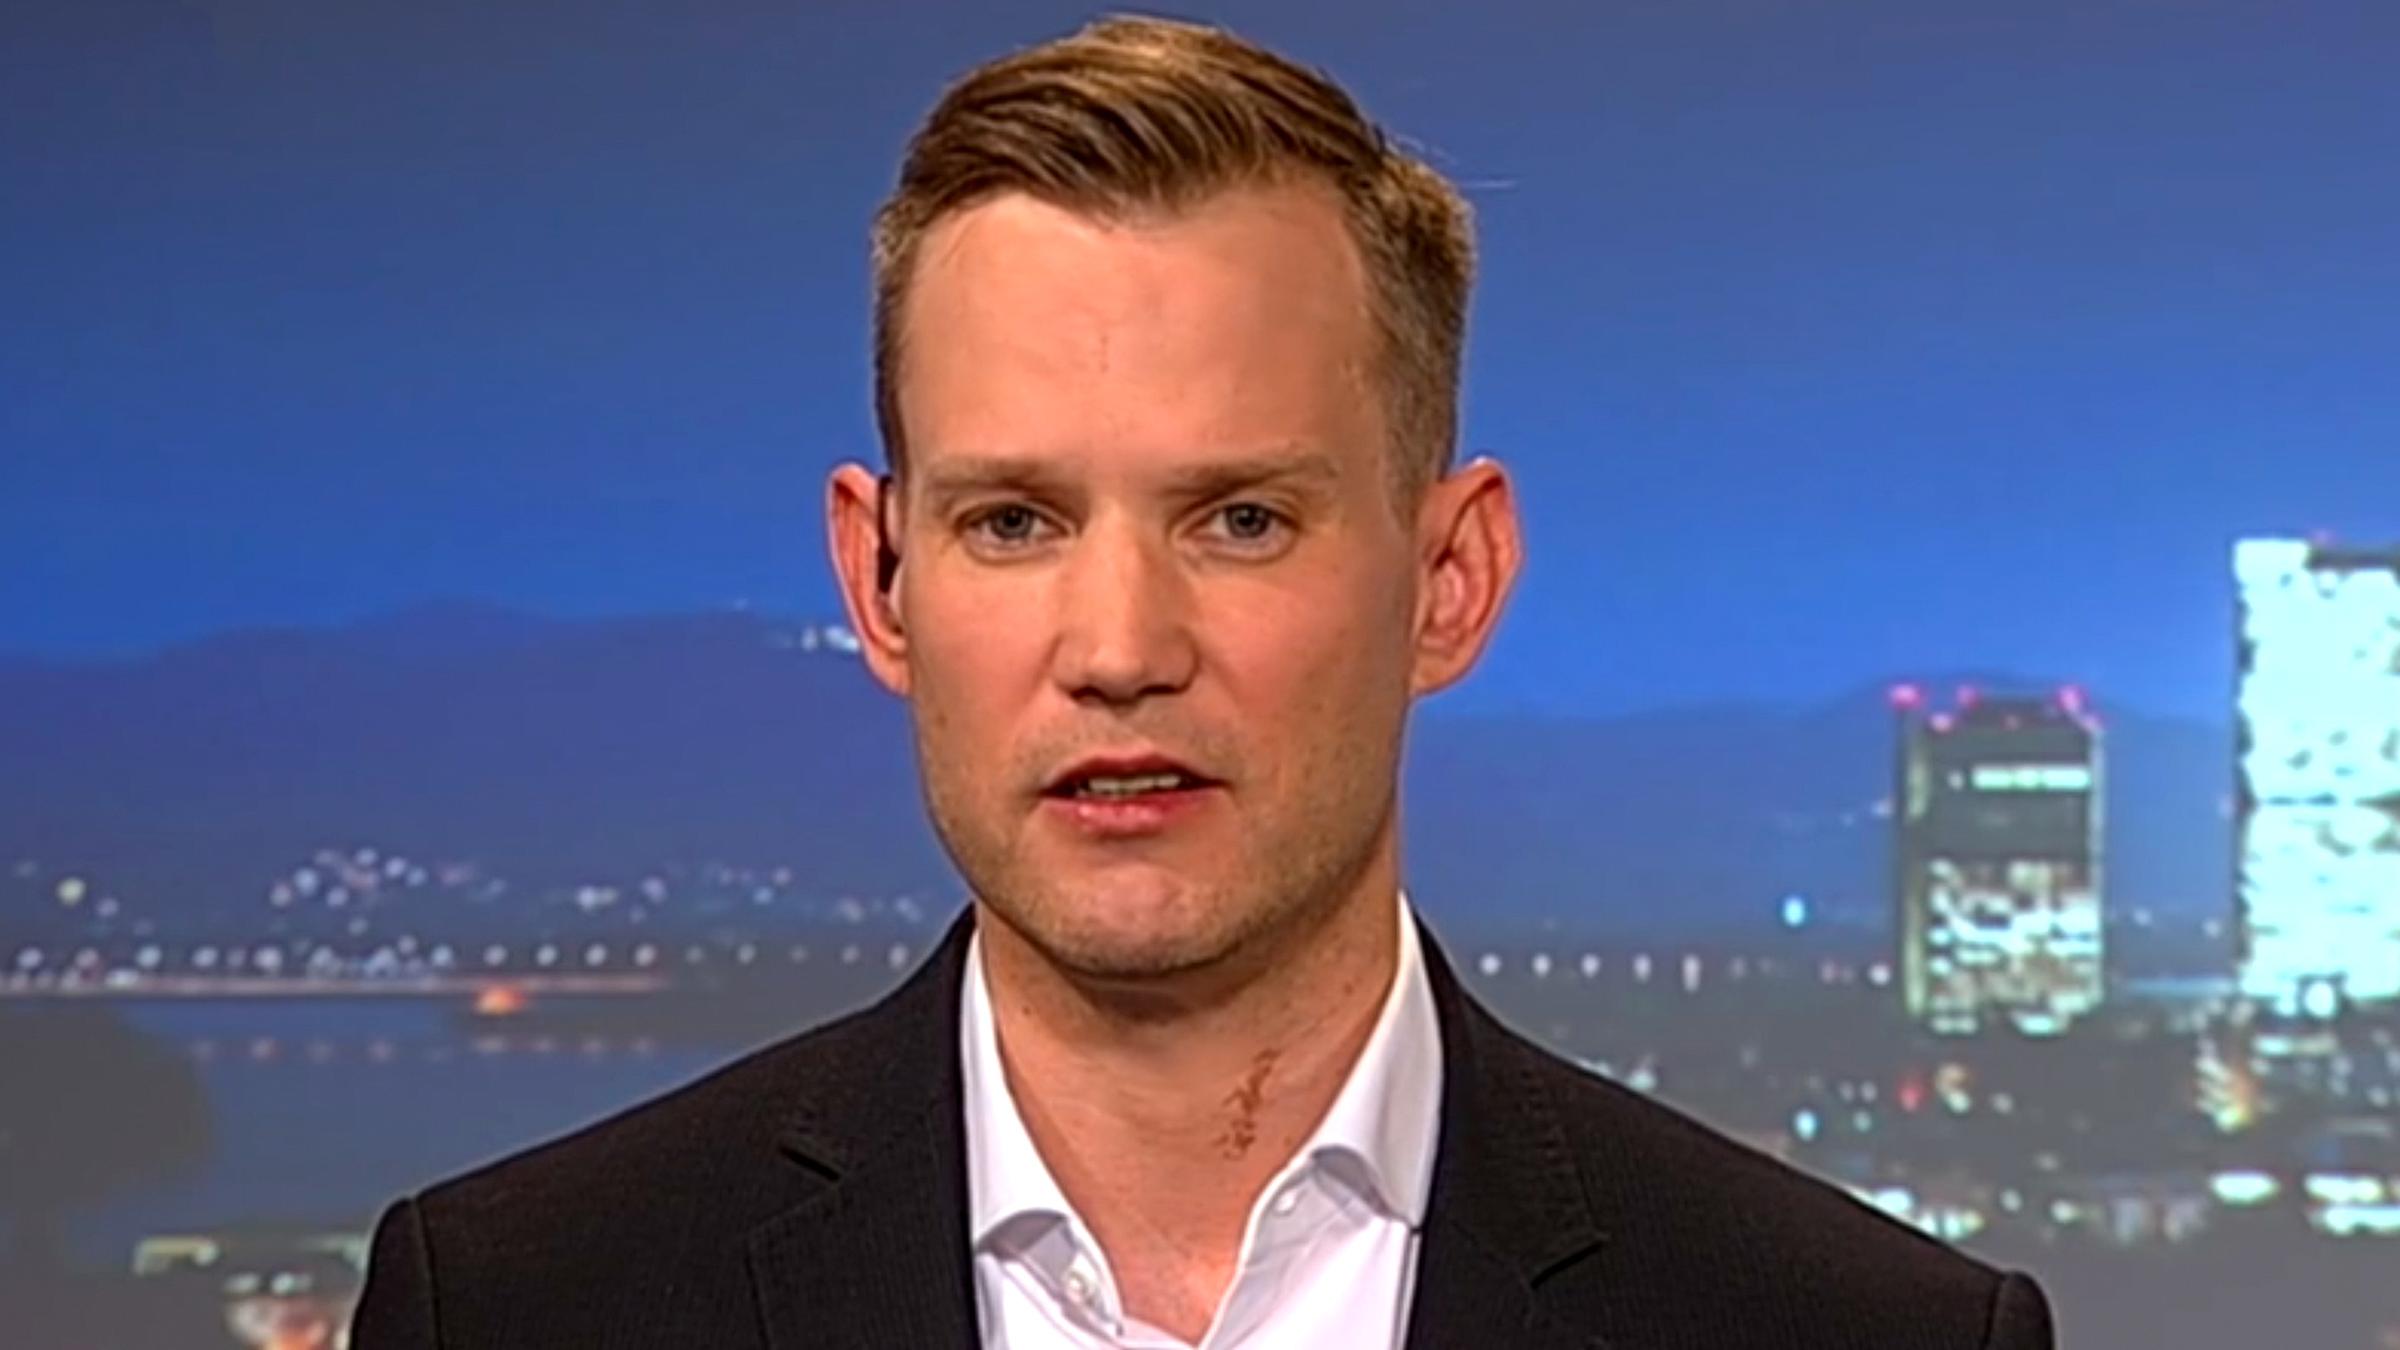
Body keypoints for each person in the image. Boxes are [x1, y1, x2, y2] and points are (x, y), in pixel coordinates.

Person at [351, 15, 2057, 1349]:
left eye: (1241, 519)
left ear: (1449, 580)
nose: (1119, 649)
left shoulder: (1863, 1335)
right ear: (880, 582)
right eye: (1014, 521)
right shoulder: (519, 1308)